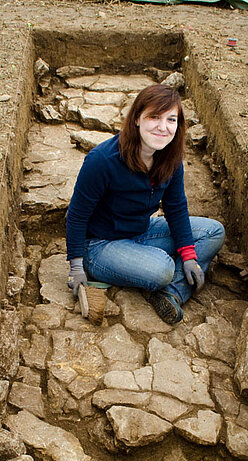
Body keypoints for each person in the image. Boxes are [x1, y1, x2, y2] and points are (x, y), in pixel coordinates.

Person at [66, 83, 225, 324]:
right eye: (154, 117)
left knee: (213, 232)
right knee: (162, 269)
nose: (163, 127)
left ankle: (172, 293)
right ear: (137, 119)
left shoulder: (170, 158)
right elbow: (77, 215)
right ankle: (156, 275)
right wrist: (76, 266)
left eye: (171, 120)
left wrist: (189, 254)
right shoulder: (102, 160)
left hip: (141, 230)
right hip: (100, 245)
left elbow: (176, 207)